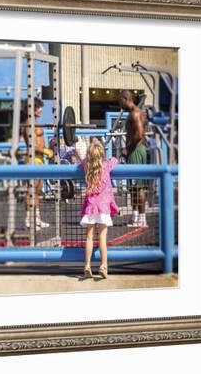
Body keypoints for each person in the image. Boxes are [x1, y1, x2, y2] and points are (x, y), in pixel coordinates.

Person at [77, 140, 119, 279]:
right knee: (102, 238)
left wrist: (82, 154)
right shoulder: (106, 166)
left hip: (90, 207)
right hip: (103, 207)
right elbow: (115, 160)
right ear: (101, 155)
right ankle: (103, 266)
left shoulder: (86, 167)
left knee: (89, 237)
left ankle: (87, 266)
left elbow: (82, 159)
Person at [21, 97, 53, 230]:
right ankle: (29, 220)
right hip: (32, 160)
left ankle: (37, 219)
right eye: (38, 107)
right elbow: (31, 146)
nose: (40, 110)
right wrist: (46, 151)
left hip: (39, 160)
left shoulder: (36, 123)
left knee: (38, 191)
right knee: (31, 191)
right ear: (32, 109)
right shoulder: (28, 124)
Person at [118, 90, 149, 228]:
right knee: (133, 187)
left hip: (136, 151)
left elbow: (139, 134)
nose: (120, 104)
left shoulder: (135, 113)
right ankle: (135, 216)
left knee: (139, 187)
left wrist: (126, 150)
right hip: (134, 151)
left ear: (126, 99)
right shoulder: (134, 113)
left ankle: (142, 218)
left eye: (120, 101)